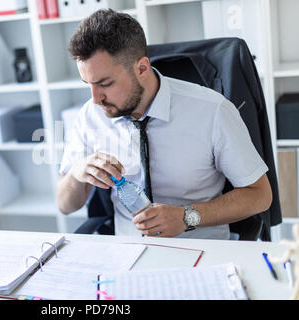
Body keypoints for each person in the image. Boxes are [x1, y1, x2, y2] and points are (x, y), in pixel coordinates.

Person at [56, 9, 272, 239]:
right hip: (127, 254)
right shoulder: (91, 114)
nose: (95, 98)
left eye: (105, 83)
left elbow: (259, 195)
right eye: (87, 83)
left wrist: (186, 217)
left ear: (142, 67)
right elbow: (65, 205)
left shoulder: (212, 110)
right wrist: (76, 173)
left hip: (201, 251)